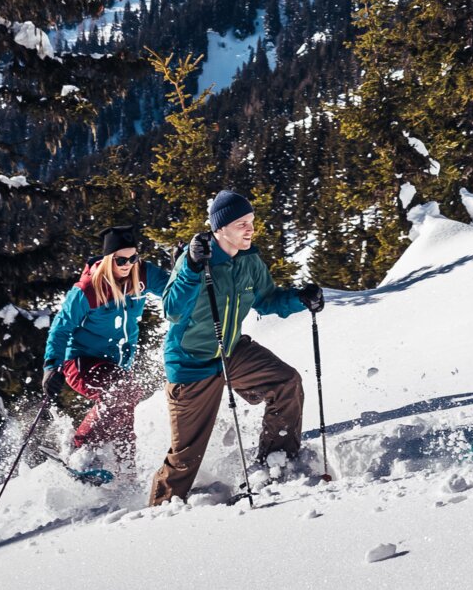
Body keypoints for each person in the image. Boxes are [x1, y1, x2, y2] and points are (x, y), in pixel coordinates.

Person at [147, 189, 323, 504]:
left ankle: (276, 462)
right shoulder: (197, 260)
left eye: (251, 221)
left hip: (231, 351)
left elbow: (267, 300)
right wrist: (189, 266)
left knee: (286, 383)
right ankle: (160, 512)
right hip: (192, 362)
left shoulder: (250, 261)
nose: (249, 229)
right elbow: (172, 310)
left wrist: (300, 299)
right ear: (220, 229)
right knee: (186, 456)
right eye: (241, 223)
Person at [42, 223, 168, 466]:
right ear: (109, 259)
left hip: (117, 366)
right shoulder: (88, 290)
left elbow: (175, 289)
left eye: (133, 258)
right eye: (121, 260)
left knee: (123, 416)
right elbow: (61, 328)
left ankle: (125, 479)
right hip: (81, 362)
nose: (128, 265)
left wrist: (189, 267)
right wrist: (51, 366)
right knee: (123, 390)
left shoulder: (141, 275)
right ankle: (78, 450)